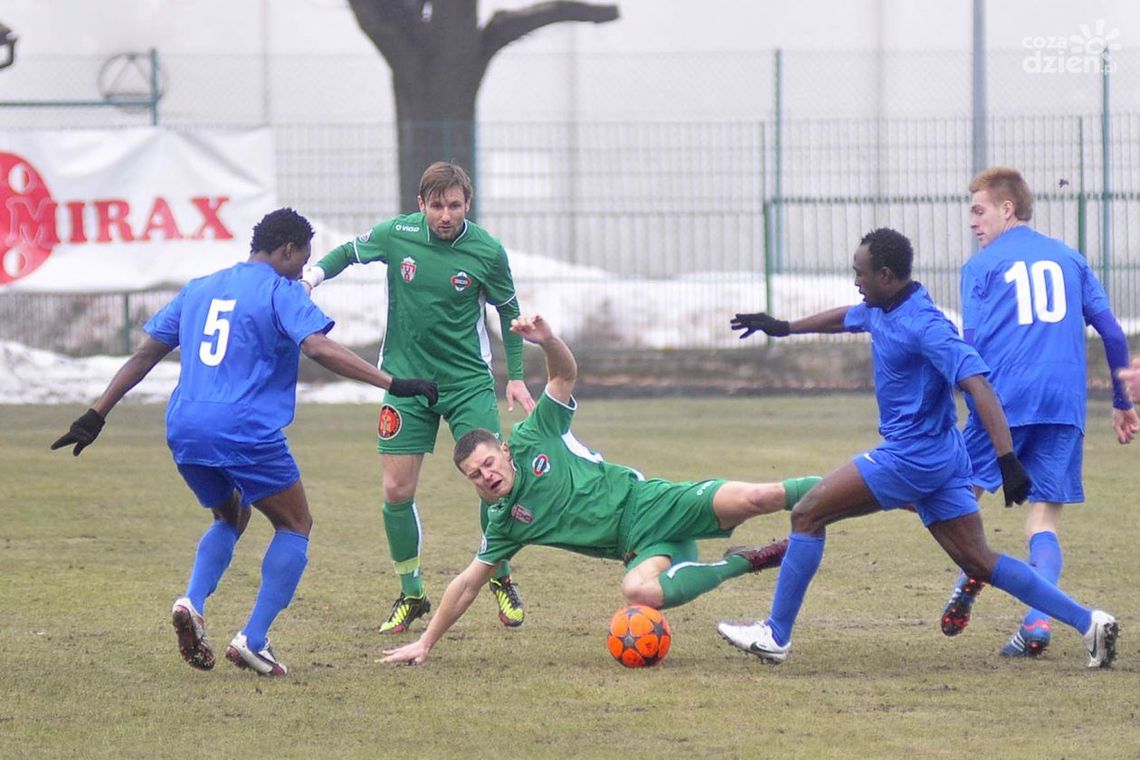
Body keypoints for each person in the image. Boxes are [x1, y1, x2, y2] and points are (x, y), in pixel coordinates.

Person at [50, 208, 439, 677]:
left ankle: (191, 601)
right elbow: (317, 347)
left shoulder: (201, 287)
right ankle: (253, 640)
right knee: (296, 524)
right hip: (243, 427)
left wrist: (96, 414)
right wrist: (393, 383)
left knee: (231, 514)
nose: (301, 273)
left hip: (185, 426)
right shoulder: (279, 290)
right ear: (288, 250)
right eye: (301, 261)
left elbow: (146, 352)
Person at [718, 227, 1119, 669]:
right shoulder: (881, 307)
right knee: (979, 560)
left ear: (886, 275)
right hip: (943, 459)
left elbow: (979, 386)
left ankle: (775, 635)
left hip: (912, 456)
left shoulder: (926, 326)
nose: (856, 281)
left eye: (861, 273)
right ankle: (1090, 622)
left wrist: (1007, 460)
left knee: (808, 513)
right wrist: (783, 327)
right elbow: (845, 317)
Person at [379, 314, 820, 665]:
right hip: (641, 547)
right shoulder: (505, 524)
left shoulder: (536, 434)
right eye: (475, 475)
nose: (486, 475)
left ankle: (850, 489)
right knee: (637, 592)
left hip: (654, 504)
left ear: (506, 452)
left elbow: (565, 376)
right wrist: (427, 643)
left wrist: (549, 341)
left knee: (759, 498)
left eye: (489, 463)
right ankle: (743, 563)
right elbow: (467, 585)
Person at [301, 162, 535, 634]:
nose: (445, 215)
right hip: (405, 383)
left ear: (467, 205)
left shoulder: (487, 250)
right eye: (436, 206)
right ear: (420, 204)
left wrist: (516, 376)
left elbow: (509, 309)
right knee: (396, 490)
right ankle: (412, 593)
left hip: (468, 382)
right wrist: (310, 279)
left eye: (454, 205)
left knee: (492, 481)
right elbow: (348, 251)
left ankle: (500, 577)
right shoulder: (398, 235)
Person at [939, 167, 1138, 658]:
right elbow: (1113, 335)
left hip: (1002, 403)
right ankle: (1036, 623)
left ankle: (973, 571)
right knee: (1043, 519)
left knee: (954, 500)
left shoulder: (982, 266)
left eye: (978, 210)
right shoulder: (1070, 258)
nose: (972, 222)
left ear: (1008, 209)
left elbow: (970, 343)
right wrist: (1122, 402)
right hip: (1063, 402)